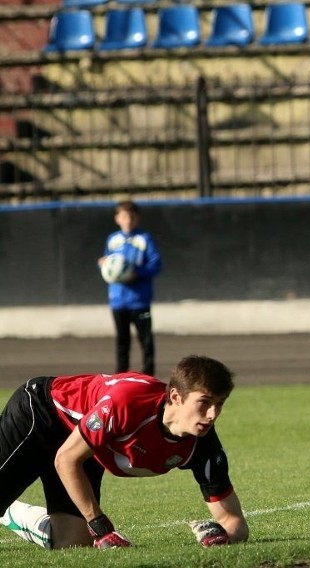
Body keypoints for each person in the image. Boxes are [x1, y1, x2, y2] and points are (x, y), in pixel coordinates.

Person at [0, 355, 249, 549]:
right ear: (176, 396)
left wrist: (222, 535)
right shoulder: (128, 402)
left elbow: (235, 522)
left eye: (220, 404)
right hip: (41, 413)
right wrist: (100, 527)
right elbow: (66, 459)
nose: (213, 414)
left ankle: (12, 512)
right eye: (204, 402)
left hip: (87, 445)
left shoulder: (203, 444)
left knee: (73, 544)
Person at [98, 199, 162, 377]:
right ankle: (120, 377)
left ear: (137, 218)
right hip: (118, 300)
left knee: (146, 340)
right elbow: (109, 264)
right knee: (122, 341)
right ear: (117, 218)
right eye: (124, 216)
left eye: (131, 217)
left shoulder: (144, 239)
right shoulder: (112, 240)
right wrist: (103, 264)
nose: (128, 220)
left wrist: (137, 273)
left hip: (139, 299)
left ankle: (148, 376)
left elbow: (156, 264)